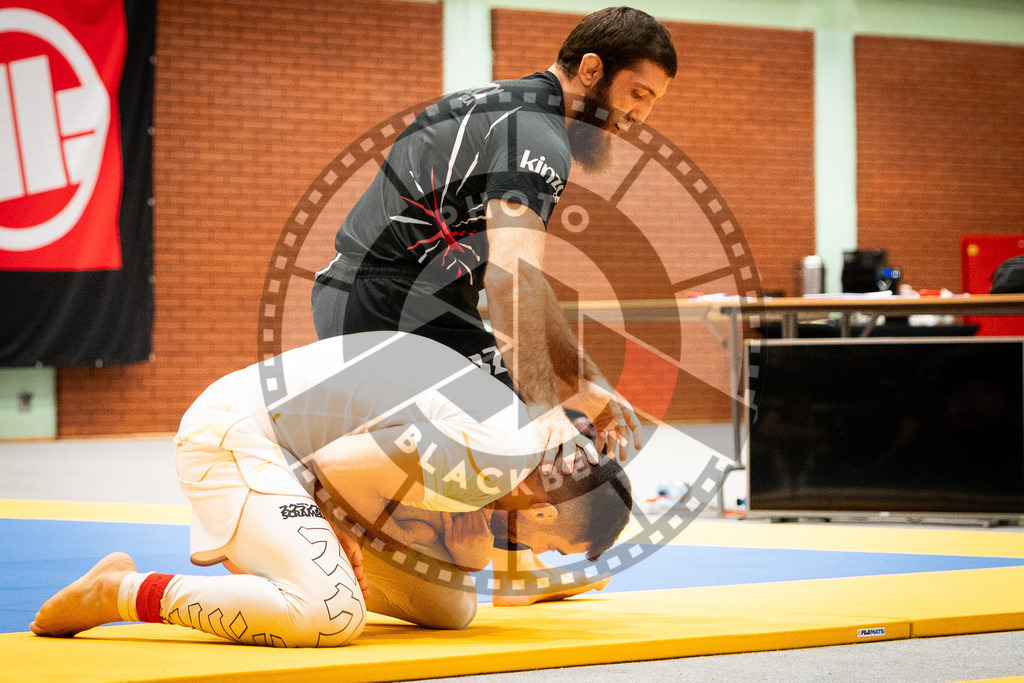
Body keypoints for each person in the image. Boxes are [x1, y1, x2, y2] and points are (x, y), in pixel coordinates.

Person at [310, 6, 675, 601]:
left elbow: (522, 284)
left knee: (548, 418)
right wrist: (542, 406)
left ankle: (497, 561)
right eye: (636, 94)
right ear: (590, 69)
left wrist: (581, 378)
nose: (638, 117)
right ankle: (498, 567)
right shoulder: (537, 135)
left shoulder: (512, 106)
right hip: (379, 297)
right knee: (523, 427)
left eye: (651, 104)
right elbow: (509, 282)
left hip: (406, 295)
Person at [29, 332, 632, 647]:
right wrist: (335, 531)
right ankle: (120, 592)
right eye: (554, 546)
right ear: (548, 509)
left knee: (451, 605)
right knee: (329, 614)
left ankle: (289, 560)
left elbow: (365, 459)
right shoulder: (493, 461)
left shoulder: (512, 448)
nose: (535, 553)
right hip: (239, 434)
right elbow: (332, 463)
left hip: (301, 453)